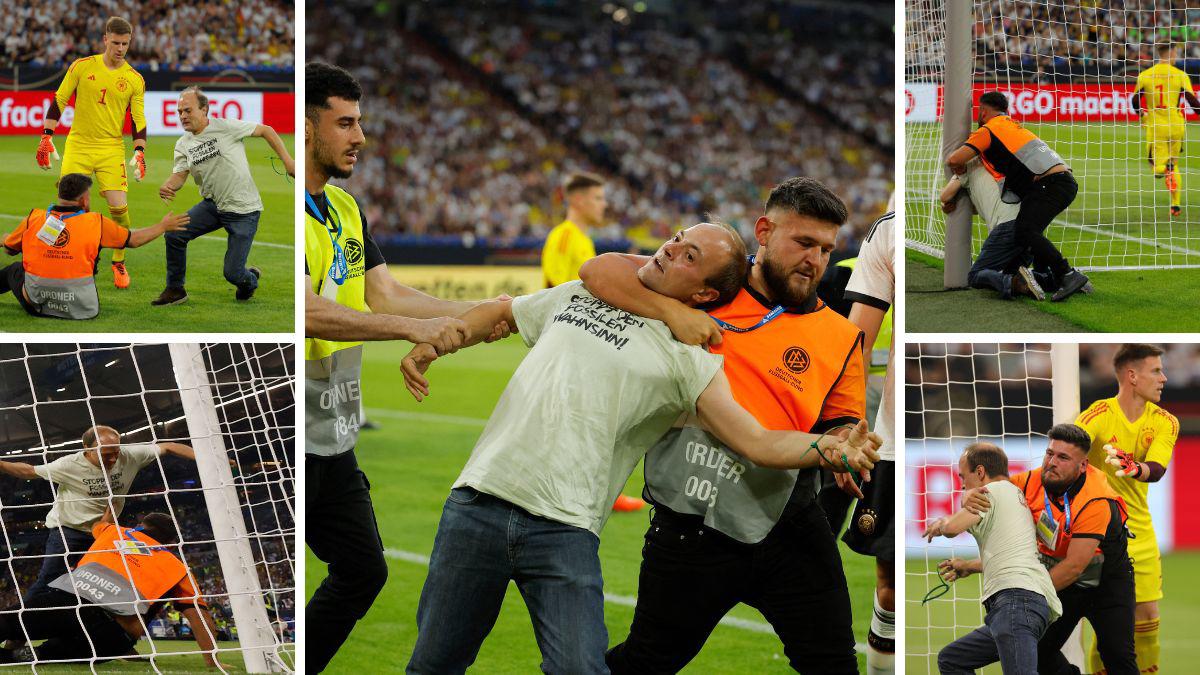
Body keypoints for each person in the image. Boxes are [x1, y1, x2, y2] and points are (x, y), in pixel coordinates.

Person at [399, 221, 882, 674]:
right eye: (675, 239)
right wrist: (443, 341)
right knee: (434, 665)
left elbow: (756, 440)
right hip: (476, 501)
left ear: (705, 294)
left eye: (688, 254)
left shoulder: (689, 359)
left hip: (565, 528)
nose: (670, 248)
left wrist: (829, 449)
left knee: (583, 669)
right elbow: (506, 310)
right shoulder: (586, 294)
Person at [584, 178, 871, 674]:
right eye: (803, 243)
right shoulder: (708, 288)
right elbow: (599, 269)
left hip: (791, 523)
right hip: (694, 522)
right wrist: (671, 311)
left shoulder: (842, 336)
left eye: (826, 249)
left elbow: (841, 419)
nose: (816, 260)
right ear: (764, 230)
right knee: (648, 662)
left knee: (832, 665)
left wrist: (844, 444)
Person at [303, 61, 510, 674]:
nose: (359, 137)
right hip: (281, 428)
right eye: (344, 123)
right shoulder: (283, 209)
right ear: (306, 128)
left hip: (330, 436)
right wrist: (412, 329)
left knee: (363, 570)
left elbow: (386, 295)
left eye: (360, 122)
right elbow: (306, 311)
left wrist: (481, 313)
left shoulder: (343, 206)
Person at [950, 423, 1138, 674]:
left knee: (1118, 656)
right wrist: (968, 496)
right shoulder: (1027, 483)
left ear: (1082, 465)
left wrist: (1025, 594)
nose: (1052, 462)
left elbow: (1074, 566)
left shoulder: (1096, 499)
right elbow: (990, 492)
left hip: (1106, 583)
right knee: (1037, 649)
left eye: (1063, 457)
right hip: (1060, 577)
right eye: (1050, 454)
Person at [0, 508, 226, 669]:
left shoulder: (113, 532)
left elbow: (100, 522)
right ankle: (34, 654)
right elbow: (199, 619)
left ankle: (18, 637)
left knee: (9, 622)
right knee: (47, 655)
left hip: (69, 601)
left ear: (140, 526)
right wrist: (212, 660)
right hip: (111, 633)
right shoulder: (177, 567)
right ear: (169, 543)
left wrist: (111, 502)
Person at [0, 424, 196, 602]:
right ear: (87, 449)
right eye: (105, 454)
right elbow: (28, 471)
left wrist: (207, 459)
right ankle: (15, 632)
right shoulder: (69, 465)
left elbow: (169, 446)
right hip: (68, 531)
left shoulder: (130, 455)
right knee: (48, 581)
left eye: (115, 453)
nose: (112, 459)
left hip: (104, 533)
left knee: (99, 588)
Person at [1075, 344, 1178, 674]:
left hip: (1140, 533)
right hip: (1097, 535)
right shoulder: (1099, 414)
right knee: (1110, 621)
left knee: (1148, 616)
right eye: (1156, 371)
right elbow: (1072, 443)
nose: (1164, 378)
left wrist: (1138, 469)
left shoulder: (1166, 421)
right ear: (1132, 376)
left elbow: (1157, 469)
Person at [924, 442, 1062, 674]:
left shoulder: (992, 492)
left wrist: (941, 524)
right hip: (1024, 604)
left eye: (963, 476)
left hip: (1016, 602)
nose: (962, 484)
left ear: (979, 472)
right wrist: (968, 565)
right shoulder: (1016, 495)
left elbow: (952, 528)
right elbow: (1012, 554)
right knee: (952, 659)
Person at [152, 87, 295, 305]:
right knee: (174, 234)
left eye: (187, 110)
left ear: (204, 110)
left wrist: (288, 161)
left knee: (233, 274)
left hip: (243, 210)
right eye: (179, 111)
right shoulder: (183, 144)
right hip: (213, 207)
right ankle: (175, 289)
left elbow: (266, 130)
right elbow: (180, 176)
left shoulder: (225, 126)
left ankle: (250, 280)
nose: (182, 116)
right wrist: (168, 185)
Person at [945, 91, 1089, 302]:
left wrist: (958, 167)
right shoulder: (1013, 126)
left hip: (1048, 183)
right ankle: (1053, 278)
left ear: (983, 111)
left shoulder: (989, 129)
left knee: (1026, 231)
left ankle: (1067, 274)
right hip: (1063, 181)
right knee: (1030, 232)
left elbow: (953, 159)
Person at [37, 16, 147, 290]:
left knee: (119, 209)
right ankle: (48, 257)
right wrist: (46, 136)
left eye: (125, 44)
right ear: (105, 39)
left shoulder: (134, 79)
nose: (120, 48)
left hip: (110, 148)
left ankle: (118, 261)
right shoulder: (82, 66)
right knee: (65, 206)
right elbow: (60, 99)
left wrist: (140, 150)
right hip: (79, 145)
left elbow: (137, 118)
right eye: (116, 43)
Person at [1, 174, 186, 320]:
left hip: (36, 303)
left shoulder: (35, 218)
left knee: (15, 269)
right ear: (83, 200)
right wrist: (162, 226)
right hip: (81, 307)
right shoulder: (96, 222)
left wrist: (5, 239)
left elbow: (9, 250)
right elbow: (134, 240)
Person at [842, 209, 897, 674]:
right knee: (890, 580)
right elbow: (857, 344)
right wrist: (845, 424)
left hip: (972, 428)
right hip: (894, 439)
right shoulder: (890, 231)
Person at [1133, 43, 1200, 217]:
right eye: (1175, 52)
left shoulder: (1145, 75)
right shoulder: (1180, 75)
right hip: (1177, 126)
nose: (1176, 55)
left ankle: (1163, 169)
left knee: (1155, 166)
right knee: (1174, 164)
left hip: (1156, 127)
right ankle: (1175, 204)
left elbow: (1135, 100)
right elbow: (1192, 101)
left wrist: (1141, 114)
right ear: (1169, 52)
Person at [541, 172, 605, 288]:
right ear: (579, 200)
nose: (604, 204)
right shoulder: (564, 235)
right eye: (598, 198)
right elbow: (553, 289)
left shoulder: (585, 239)